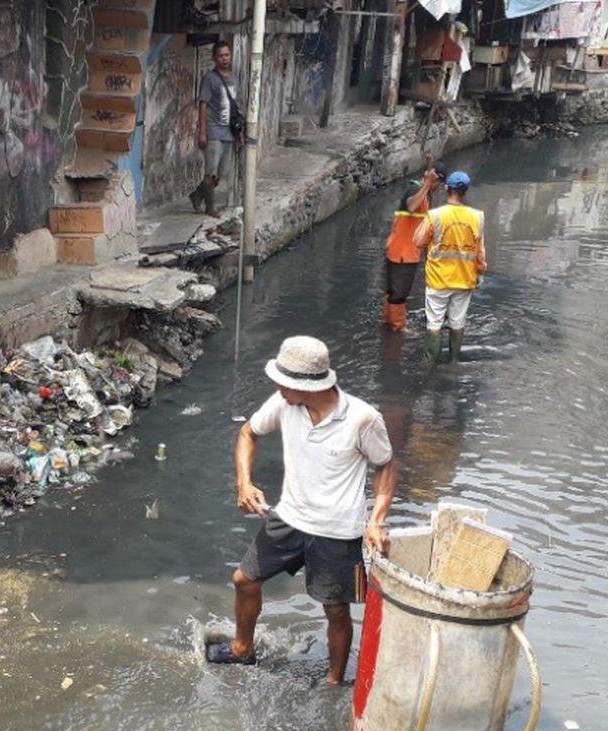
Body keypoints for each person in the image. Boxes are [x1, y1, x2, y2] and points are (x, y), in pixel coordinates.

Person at [206, 336, 398, 685]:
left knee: (336, 610)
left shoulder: (363, 419)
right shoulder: (284, 403)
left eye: (283, 381)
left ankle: (335, 680)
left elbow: (386, 466)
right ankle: (242, 650)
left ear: (305, 386)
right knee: (244, 581)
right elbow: (248, 432)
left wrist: (377, 521)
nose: (277, 387)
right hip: (289, 518)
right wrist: (244, 483)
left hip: (338, 531)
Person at [412, 171, 486, 364]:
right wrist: (480, 272)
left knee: (434, 325)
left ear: (446, 189)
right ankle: (453, 362)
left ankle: (429, 364)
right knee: (457, 323)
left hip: (438, 280)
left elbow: (418, 241)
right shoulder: (477, 217)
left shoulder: (435, 215)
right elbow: (480, 252)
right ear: (466, 191)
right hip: (464, 280)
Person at [382, 161, 444, 332]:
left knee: (393, 292)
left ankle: (388, 325)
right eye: (438, 183)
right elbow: (411, 207)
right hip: (403, 253)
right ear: (436, 181)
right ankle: (398, 328)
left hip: (401, 251)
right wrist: (427, 185)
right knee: (399, 294)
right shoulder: (415, 191)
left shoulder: (423, 196)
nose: (438, 187)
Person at [189, 41, 239, 217]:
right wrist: (202, 132)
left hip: (229, 132)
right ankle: (210, 208)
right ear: (214, 58)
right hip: (213, 130)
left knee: (221, 173)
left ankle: (196, 195)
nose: (224, 59)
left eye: (227, 55)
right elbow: (203, 105)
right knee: (210, 172)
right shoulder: (210, 78)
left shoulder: (233, 78)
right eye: (220, 56)